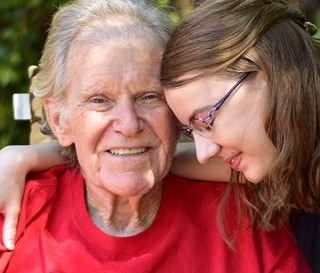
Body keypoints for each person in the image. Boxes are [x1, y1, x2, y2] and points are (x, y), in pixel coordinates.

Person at [1, 0, 311, 272]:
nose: (129, 124)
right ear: (58, 120)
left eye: (149, 97)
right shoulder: (15, 214)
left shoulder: (247, 208)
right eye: (99, 100)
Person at [160, 0, 320, 272]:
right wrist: (72, 153)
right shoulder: (296, 167)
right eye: (192, 131)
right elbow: (170, 162)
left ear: (265, 74)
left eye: (205, 120)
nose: (204, 154)